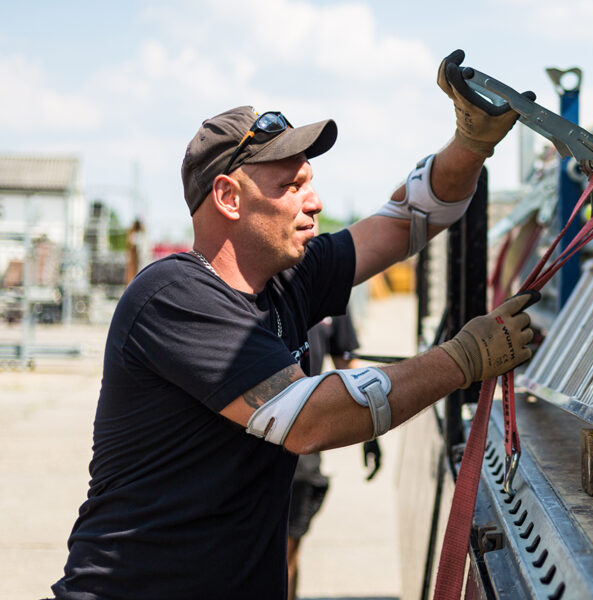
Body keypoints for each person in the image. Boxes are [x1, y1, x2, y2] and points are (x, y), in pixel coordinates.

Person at [51, 50, 538, 600]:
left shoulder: (286, 279)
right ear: (228, 197)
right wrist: (462, 359)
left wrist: (470, 144)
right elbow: (310, 419)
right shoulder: (173, 298)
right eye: (291, 185)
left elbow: (409, 221)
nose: (315, 202)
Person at [286, 312, 378, 600]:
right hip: (247, 445)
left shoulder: (328, 294)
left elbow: (347, 367)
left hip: (301, 451)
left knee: (286, 551)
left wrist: (371, 429)